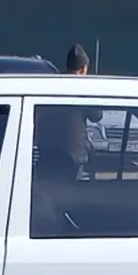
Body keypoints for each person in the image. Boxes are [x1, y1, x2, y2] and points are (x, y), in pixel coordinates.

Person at [35, 44, 94, 183]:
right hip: (74, 155)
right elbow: (96, 116)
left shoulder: (51, 85)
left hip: (47, 153)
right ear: (84, 68)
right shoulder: (84, 89)